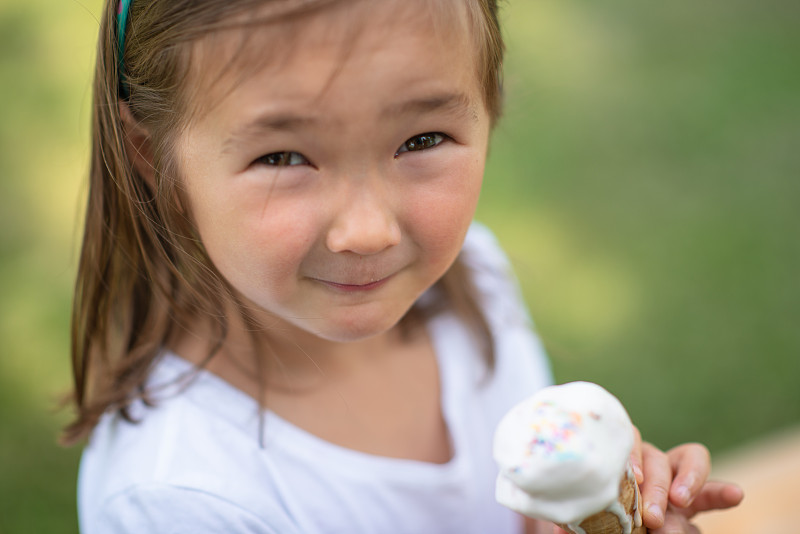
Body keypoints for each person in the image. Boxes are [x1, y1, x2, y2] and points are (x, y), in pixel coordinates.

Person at [64, 0, 743, 532]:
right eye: (283, 157)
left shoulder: (475, 270)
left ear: (489, 107)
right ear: (153, 157)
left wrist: (601, 503)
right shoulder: (180, 500)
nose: (366, 231)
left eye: (421, 139)